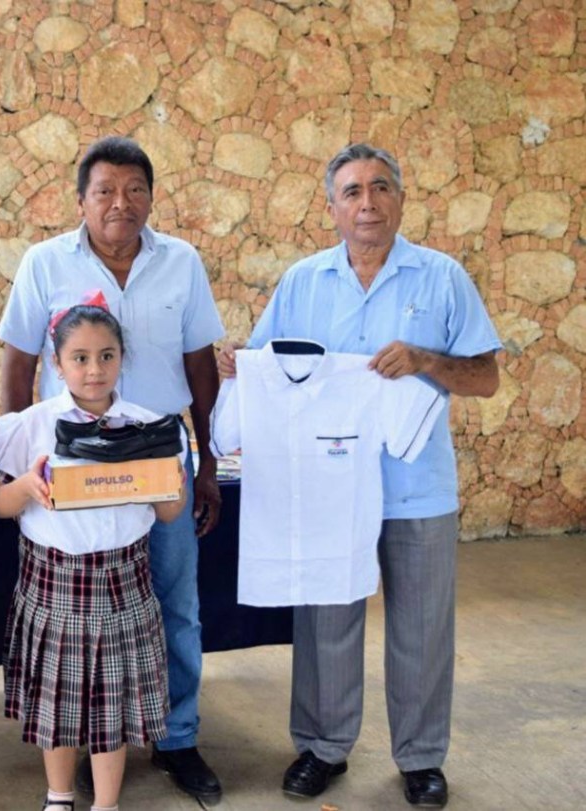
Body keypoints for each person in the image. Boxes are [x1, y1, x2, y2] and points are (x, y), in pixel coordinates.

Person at [219, 143, 501, 808]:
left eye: (380, 188)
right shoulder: (303, 282)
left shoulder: (442, 278)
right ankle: (323, 746)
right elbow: (264, 361)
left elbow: (485, 377)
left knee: (422, 627)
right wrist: (241, 367)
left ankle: (422, 759)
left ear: (400, 199)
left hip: (417, 487)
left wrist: (427, 360)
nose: (367, 203)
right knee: (325, 621)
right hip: (327, 487)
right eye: (352, 191)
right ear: (332, 207)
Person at [0, 136, 224, 802]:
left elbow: (200, 365)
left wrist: (206, 461)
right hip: (71, 463)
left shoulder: (182, 263)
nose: (120, 203)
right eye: (105, 191)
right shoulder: (44, 263)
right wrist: (17, 459)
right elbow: (18, 362)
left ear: (151, 197)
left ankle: (177, 737)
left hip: (157, 458)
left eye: (135, 190)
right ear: (81, 201)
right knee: (77, 620)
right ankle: (74, 745)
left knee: (173, 604)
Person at [0, 304, 188, 811]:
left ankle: (106, 804)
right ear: (57, 363)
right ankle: (58, 797)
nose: (94, 369)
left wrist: (168, 481)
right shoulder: (30, 426)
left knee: (110, 710)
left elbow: (169, 512)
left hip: (124, 583)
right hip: (53, 584)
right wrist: (28, 488)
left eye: (106, 356)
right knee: (56, 704)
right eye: (79, 357)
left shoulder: (150, 427)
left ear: (122, 358)